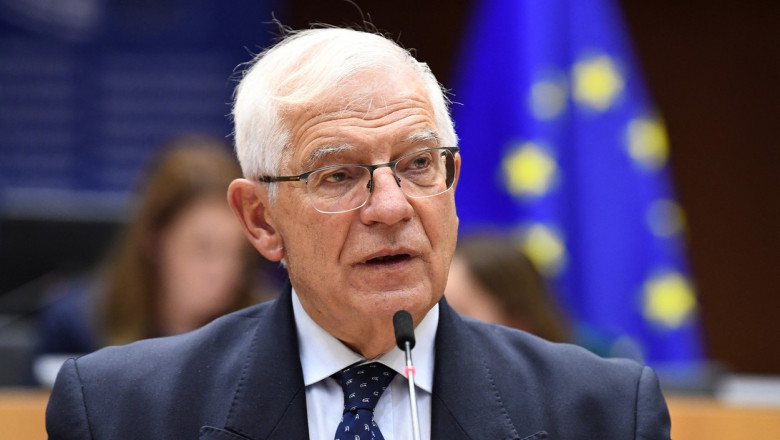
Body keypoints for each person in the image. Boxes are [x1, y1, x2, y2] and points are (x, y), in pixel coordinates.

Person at [46, 27, 671, 439]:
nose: (391, 207)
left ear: (452, 182)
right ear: (261, 220)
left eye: (418, 164)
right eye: (339, 175)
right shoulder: (120, 412)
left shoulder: (604, 414)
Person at [32, 135, 268, 384]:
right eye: (203, 248)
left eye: (237, 252)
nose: (223, 271)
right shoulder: (78, 324)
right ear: (153, 237)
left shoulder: (268, 328)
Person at [444, 233, 571, 343]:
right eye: (437, 308)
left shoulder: (574, 361)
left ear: (517, 323)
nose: (440, 320)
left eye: (457, 311)